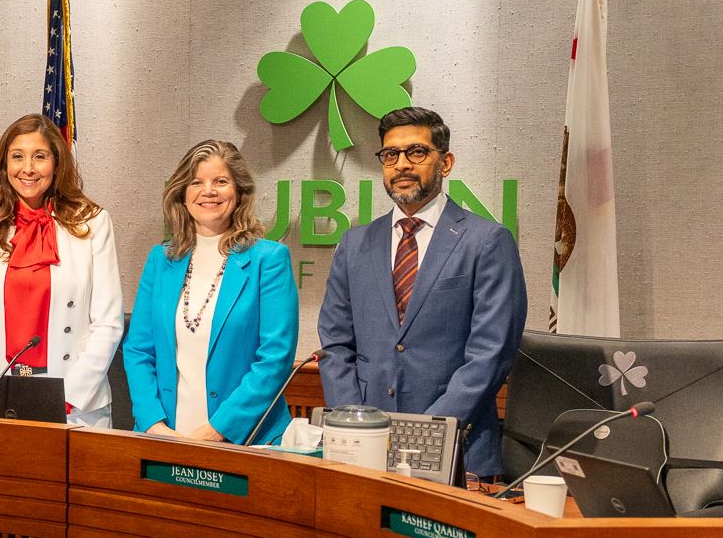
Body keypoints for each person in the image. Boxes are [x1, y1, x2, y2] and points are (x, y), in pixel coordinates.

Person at [318, 105, 527, 481]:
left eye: (417, 152)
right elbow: (335, 344)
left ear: (445, 163)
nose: (401, 165)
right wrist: (355, 424)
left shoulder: (486, 241)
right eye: (390, 155)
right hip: (364, 449)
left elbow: (491, 354)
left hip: (458, 452)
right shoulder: (354, 244)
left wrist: (429, 431)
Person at [0, 114, 122, 426]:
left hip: (76, 401)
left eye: (39, 156)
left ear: (56, 163)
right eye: (17, 157)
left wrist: (69, 394)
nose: (28, 168)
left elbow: (108, 322)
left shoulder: (92, 223)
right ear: (4, 165)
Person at [121, 140, 298, 444]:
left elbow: (275, 358)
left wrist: (219, 430)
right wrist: (152, 422)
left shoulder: (268, 260)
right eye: (196, 182)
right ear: (182, 194)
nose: (209, 191)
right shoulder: (160, 260)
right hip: (167, 435)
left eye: (220, 181)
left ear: (239, 191)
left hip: (246, 438)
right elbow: (138, 350)